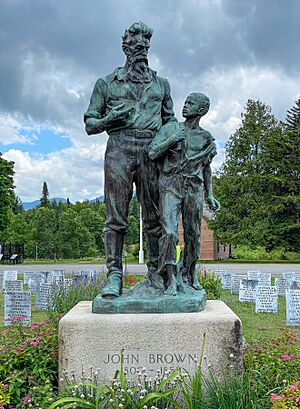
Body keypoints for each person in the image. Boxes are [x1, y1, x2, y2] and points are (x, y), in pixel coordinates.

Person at [84, 22, 176, 297]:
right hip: (119, 149)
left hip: (152, 151)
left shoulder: (161, 84)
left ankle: (157, 275)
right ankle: (114, 276)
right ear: (126, 48)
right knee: (116, 216)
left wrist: (172, 142)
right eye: (137, 47)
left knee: (154, 216)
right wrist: (109, 120)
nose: (142, 52)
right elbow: (90, 123)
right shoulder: (106, 83)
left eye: (146, 47)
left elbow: (170, 121)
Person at [148, 92, 220, 295]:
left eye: (191, 103)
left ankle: (190, 272)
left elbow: (206, 168)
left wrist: (210, 194)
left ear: (202, 110)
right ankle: (171, 278)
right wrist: (171, 140)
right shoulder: (171, 128)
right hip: (170, 183)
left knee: (194, 235)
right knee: (170, 232)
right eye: (185, 102)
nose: (185, 106)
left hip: (194, 187)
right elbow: (152, 153)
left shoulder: (206, 138)